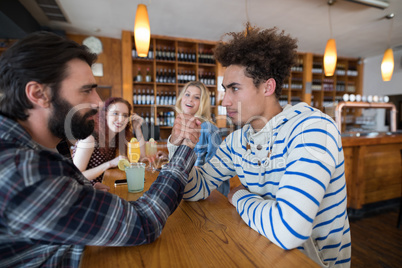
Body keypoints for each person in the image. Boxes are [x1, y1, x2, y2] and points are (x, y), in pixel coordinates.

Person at [0, 31, 200, 267]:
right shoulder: (22, 170)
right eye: (86, 90)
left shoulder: (45, 147)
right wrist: (186, 147)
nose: (97, 102)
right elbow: (144, 223)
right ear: (38, 94)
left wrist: (80, 192)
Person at [168, 25, 351, 267]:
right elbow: (194, 189)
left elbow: (289, 230)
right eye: (225, 90)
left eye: (234, 88)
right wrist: (179, 146)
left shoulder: (312, 129)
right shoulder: (237, 140)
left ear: (267, 87)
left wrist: (240, 197)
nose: (224, 101)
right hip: (262, 249)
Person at [169, 81, 229, 196]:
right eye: (187, 94)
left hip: (208, 196)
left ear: (203, 103)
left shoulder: (209, 129)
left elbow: (218, 170)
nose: (190, 99)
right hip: (184, 189)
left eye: (196, 97)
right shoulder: (179, 127)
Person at [72, 97, 145, 188]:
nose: (121, 119)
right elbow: (75, 176)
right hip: (84, 192)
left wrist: (137, 128)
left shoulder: (118, 137)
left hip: (105, 187)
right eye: (115, 113)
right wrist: (109, 164)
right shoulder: (90, 138)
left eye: (125, 115)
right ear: (105, 115)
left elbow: (141, 157)